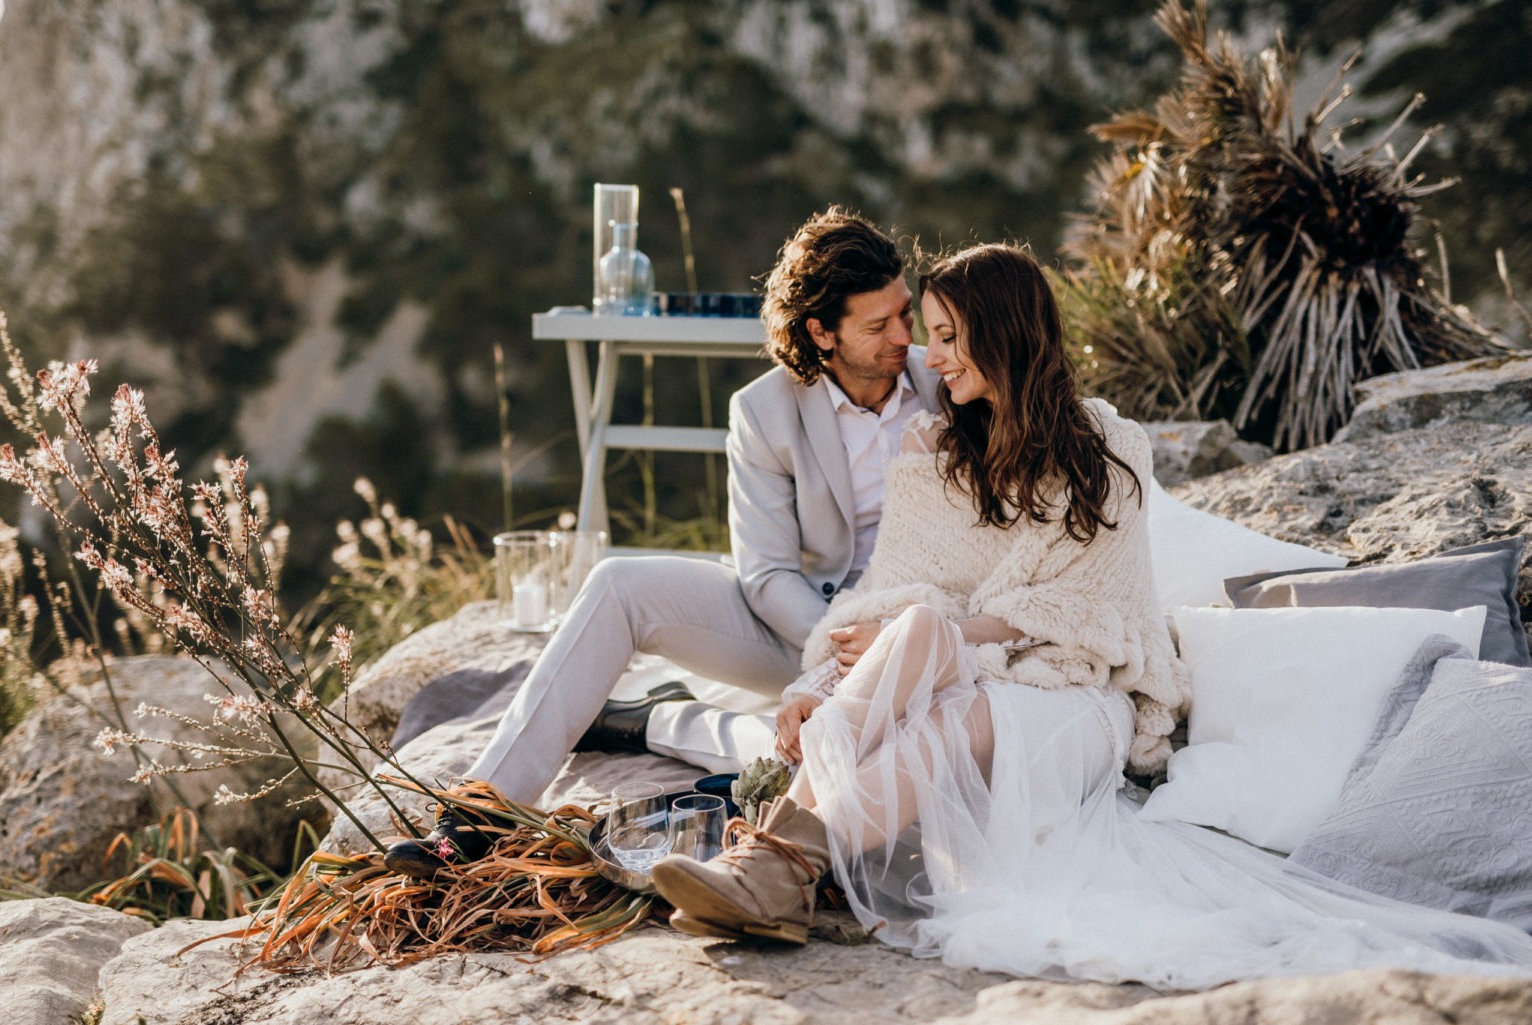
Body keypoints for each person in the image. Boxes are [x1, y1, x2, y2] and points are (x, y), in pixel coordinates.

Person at [652, 243, 1532, 988]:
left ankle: (775, 863)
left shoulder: (1109, 450)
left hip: (1081, 705)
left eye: (951, 338)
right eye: (930, 336)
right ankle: (781, 867)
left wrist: (961, 632)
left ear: (1004, 336)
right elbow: (891, 593)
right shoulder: (934, 453)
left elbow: (1089, 611)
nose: (932, 358)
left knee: (938, 657)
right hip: (976, 683)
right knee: (926, 651)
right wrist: (817, 682)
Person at [384, 207, 942, 878]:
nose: (903, 338)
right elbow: (764, 575)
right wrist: (839, 639)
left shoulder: (948, 381)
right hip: (810, 626)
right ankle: (477, 813)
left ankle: (652, 721)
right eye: (878, 326)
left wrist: (897, 638)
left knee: (815, 753)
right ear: (821, 332)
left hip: (922, 631)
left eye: (905, 315)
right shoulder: (763, 411)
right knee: (620, 585)